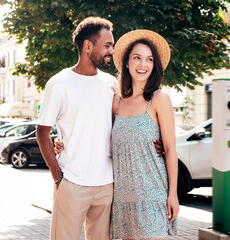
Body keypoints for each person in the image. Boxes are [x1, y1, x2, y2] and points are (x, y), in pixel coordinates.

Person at [37, 17, 163, 240]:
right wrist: (58, 177)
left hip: (107, 185)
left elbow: (125, 124)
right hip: (72, 182)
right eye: (107, 45)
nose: (112, 51)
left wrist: (155, 143)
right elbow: (42, 132)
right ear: (87, 46)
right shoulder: (59, 83)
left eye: (112, 45)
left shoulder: (110, 84)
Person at [110, 30, 179, 240]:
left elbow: (169, 149)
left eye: (149, 59)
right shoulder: (116, 103)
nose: (143, 64)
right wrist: (61, 141)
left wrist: (173, 194)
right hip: (123, 198)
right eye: (137, 58)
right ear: (127, 64)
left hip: (152, 196)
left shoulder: (159, 98)